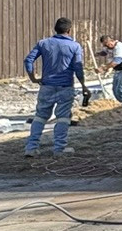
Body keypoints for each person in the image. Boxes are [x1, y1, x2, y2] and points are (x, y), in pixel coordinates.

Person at [23, 17, 89, 155]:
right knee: (63, 118)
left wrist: (33, 78)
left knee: (40, 116)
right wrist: (83, 85)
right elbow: (78, 67)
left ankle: (31, 148)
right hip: (65, 87)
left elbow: (28, 60)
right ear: (69, 30)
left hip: (46, 86)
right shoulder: (75, 46)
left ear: (55, 29)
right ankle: (59, 148)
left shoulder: (43, 43)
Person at [97, 33, 122, 104]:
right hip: (119, 70)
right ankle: (121, 103)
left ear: (111, 41)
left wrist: (104, 68)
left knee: (121, 89)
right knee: (115, 90)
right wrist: (99, 53)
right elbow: (105, 52)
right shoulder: (108, 47)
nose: (106, 46)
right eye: (104, 45)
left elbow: (116, 62)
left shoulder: (119, 48)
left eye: (107, 44)